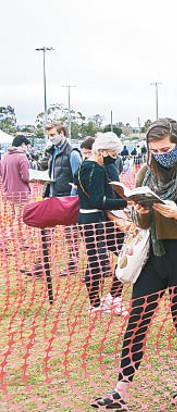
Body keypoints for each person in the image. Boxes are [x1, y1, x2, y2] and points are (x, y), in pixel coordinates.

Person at [92, 117, 177, 410]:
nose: (161, 155)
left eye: (166, 148)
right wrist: (139, 211)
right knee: (137, 321)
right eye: (155, 149)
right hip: (153, 256)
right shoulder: (145, 173)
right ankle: (121, 389)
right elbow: (142, 223)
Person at [76, 133, 128, 316]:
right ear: (103, 151)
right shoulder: (93, 169)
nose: (114, 158)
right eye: (113, 154)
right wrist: (126, 202)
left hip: (102, 220)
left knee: (125, 253)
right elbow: (99, 200)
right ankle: (96, 304)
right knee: (95, 262)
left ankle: (112, 297)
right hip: (92, 221)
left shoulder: (94, 166)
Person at [21, 122, 82, 277]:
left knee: (71, 235)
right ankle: (41, 266)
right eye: (49, 135)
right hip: (52, 197)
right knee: (46, 232)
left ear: (62, 133)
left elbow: (79, 178)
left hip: (67, 200)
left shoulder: (73, 153)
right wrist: (44, 180)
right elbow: (51, 172)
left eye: (53, 134)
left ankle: (73, 264)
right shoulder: (52, 151)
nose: (51, 138)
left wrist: (74, 198)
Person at [0, 135, 31, 200]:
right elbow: (26, 177)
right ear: (23, 144)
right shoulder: (22, 157)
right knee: (21, 210)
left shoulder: (4, 156)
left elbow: (1, 174)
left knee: (9, 210)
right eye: (26, 146)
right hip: (21, 195)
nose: (27, 148)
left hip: (7, 194)